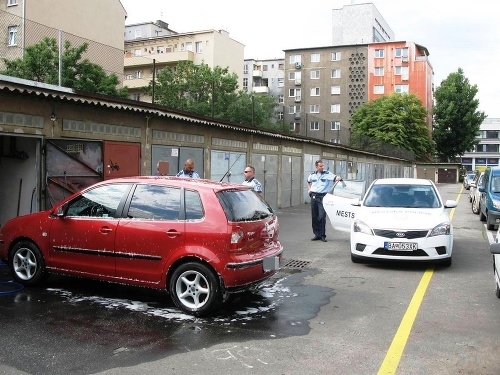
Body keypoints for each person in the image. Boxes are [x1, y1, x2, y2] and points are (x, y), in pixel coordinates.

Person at [307, 159, 342, 242]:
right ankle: (317, 234)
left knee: (322, 216)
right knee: (314, 216)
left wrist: (338, 178)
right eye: (320, 166)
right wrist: (310, 190)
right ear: (316, 167)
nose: (322, 167)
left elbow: (335, 177)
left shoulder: (327, 174)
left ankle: (322, 235)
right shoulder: (312, 175)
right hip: (314, 196)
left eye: (323, 166)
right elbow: (308, 182)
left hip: (323, 197)